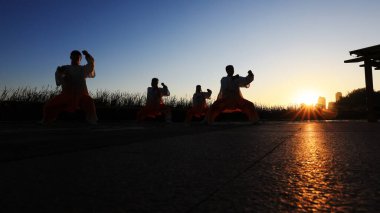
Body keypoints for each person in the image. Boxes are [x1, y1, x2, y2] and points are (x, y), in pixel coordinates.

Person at [42, 50, 98, 124]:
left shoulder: (83, 69)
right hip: (67, 95)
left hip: (82, 95)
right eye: (74, 56)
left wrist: (87, 55)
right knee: (50, 105)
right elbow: (60, 77)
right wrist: (60, 72)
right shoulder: (65, 68)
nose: (75, 58)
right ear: (71, 57)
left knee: (89, 102)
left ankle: (91, 121)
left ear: (80, 59)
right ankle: (47, 120)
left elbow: (91, 66)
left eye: (77, 57)